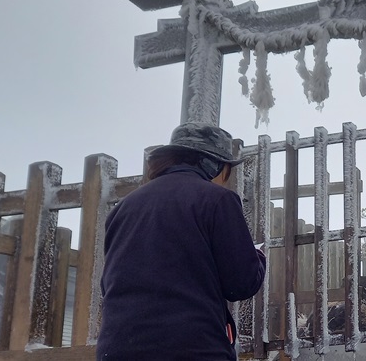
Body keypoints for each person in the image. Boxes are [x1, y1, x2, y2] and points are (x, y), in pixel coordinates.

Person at [97, 123, 267, 360]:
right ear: (214, 164)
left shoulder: (124, 208)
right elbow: (240, 283)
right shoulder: (217, 200)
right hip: (190, 348)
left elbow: (110, 284)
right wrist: (258, 256)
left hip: (117, 349)